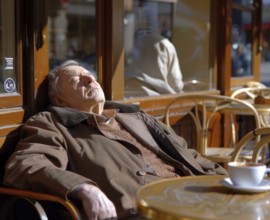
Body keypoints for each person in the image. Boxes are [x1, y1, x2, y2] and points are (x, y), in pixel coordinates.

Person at [4, 60, 227, 219]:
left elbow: (189, 155)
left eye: (89, 73)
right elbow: (26, 164)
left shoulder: (135, 117)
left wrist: (227, 178)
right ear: (59, 100)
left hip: (195, 197)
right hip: (147, 210)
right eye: (76, 79)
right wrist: (83, 188)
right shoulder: (52, 123)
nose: (89, 78)